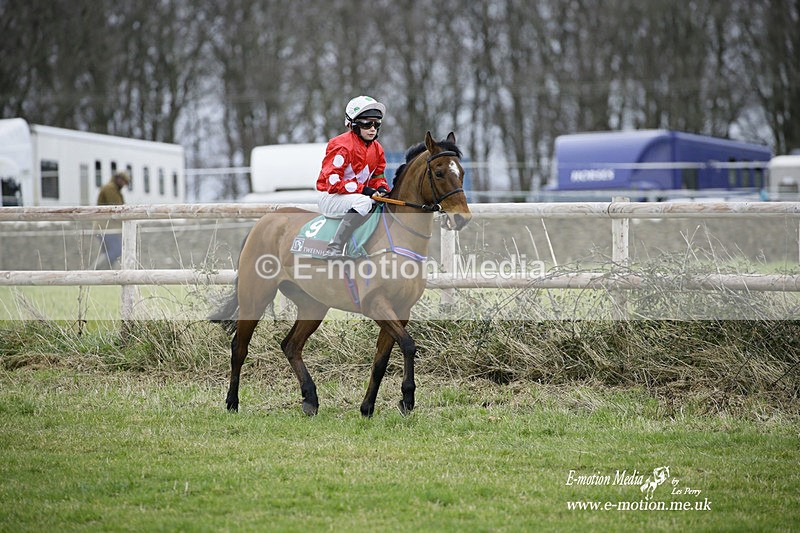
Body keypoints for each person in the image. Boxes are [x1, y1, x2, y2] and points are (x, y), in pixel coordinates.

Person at [316, 95, 390, 257]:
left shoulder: (377, 149)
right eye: (367, 124)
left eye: (376, 124)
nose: (373, 128)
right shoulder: (340, 145)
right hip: (331, 197)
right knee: (364, 201)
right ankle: (335, 247)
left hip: (355, 197)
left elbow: (378, 177)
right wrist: (367, 191)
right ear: (354, 124)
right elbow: (333, 184)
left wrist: (382, 188)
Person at [94, 170, 129, 269]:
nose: (124, 185)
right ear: (118, 179)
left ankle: (103, 273)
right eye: (124, 181)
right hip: (106, 227)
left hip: (105, 227)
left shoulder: (113, 189)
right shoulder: (110, 189)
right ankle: (96, 270)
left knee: (108, 252)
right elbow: (117, 209)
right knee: (116, 250)